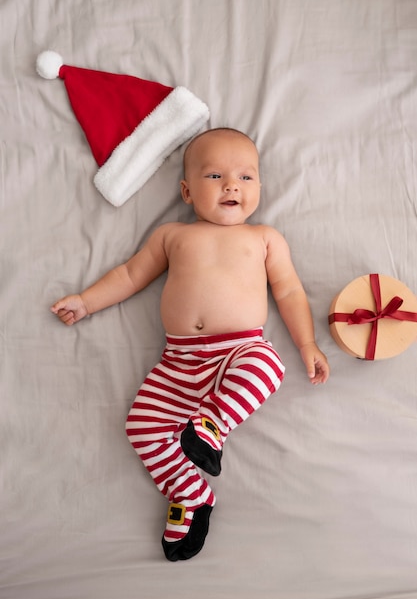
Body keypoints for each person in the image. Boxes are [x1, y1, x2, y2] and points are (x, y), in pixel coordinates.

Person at [51, 127, 329, 562]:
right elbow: (129, 276)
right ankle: (191, 493)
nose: (232, 184)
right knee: (141, 426)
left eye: (245, 177)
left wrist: (308, 343)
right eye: (215, 176)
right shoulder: (171, 236)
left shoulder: (264, 238)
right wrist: (87, 302)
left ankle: (213, 426)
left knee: (267, 364)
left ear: (259, 187)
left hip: (238, 350)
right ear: (186, 190)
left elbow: (290, 291)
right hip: (177, 363)